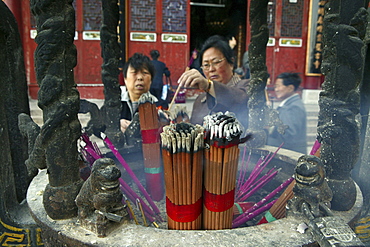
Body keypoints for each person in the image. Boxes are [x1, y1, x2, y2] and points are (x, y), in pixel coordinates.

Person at [177, 35, 249, 131]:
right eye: (206, 65)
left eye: (216, 62)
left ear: (231, 63)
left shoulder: (247, 86)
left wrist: (208, 85)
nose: (211, 69)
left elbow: (240, 100)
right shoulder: (200, 100)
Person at [120, 52, 162, 133]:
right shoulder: (114, 104)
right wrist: (115, 126)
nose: (140, 78)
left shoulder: (159, 105)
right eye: (134, 73)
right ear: (125, 78)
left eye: (145, 73)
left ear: (151, 80)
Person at [266, 72, 307, 154]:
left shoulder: (292, 107)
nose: (276, 89)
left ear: (290, 88)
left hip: (289, 155)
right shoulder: (289, 104)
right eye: (275, 86)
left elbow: (289, 135)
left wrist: (269, 129)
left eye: (278, 86)